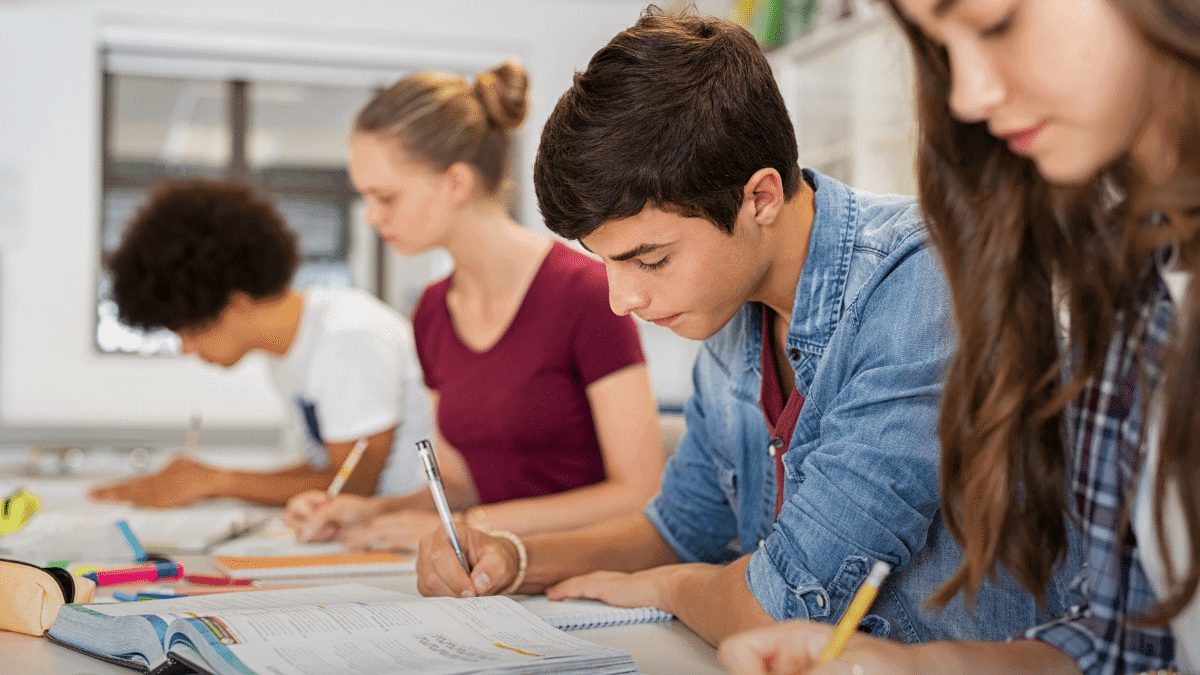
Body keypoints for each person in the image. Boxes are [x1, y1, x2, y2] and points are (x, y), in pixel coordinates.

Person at [414, 8, 1079, 650]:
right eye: (607, 261)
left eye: (650, 258)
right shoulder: (734, 313)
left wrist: (674, 587)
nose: (622, 298)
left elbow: (782, 605)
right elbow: (681, 528)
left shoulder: (921, 283)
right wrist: (514, 554)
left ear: (759, 197)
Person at [718, 0, 1200, 673]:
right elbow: (1126, 642)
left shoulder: (908, 278)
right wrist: (917, 666)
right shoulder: (1134, 289)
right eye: (940, 48)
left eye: (998, 23)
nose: (969, 95)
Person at [280, 61, 665, 550]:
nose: (372, 217)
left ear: (456, 183)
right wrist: (370, 512)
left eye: (386, 197)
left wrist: (466, 528)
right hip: (492, 576)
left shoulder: (586, 292)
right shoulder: (433, 312)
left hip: (587, 570)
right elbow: (461, 487)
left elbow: (638, 492)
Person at [90, 180, 433, 509]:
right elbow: (325, 469)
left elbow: (352, 485)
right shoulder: (288, 351)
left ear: (237, 304)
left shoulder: (348, 336)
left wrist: (214, 481)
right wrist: (207, 479)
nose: (187, 349)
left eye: (191, 331)